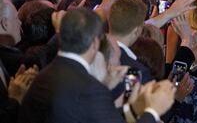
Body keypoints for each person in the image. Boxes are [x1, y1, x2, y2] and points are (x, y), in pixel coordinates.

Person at [19, 8, 176, 123]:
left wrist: (133, 109)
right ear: (94, 43)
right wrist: (153, 110)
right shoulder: (91, 89)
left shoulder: (44, 75)